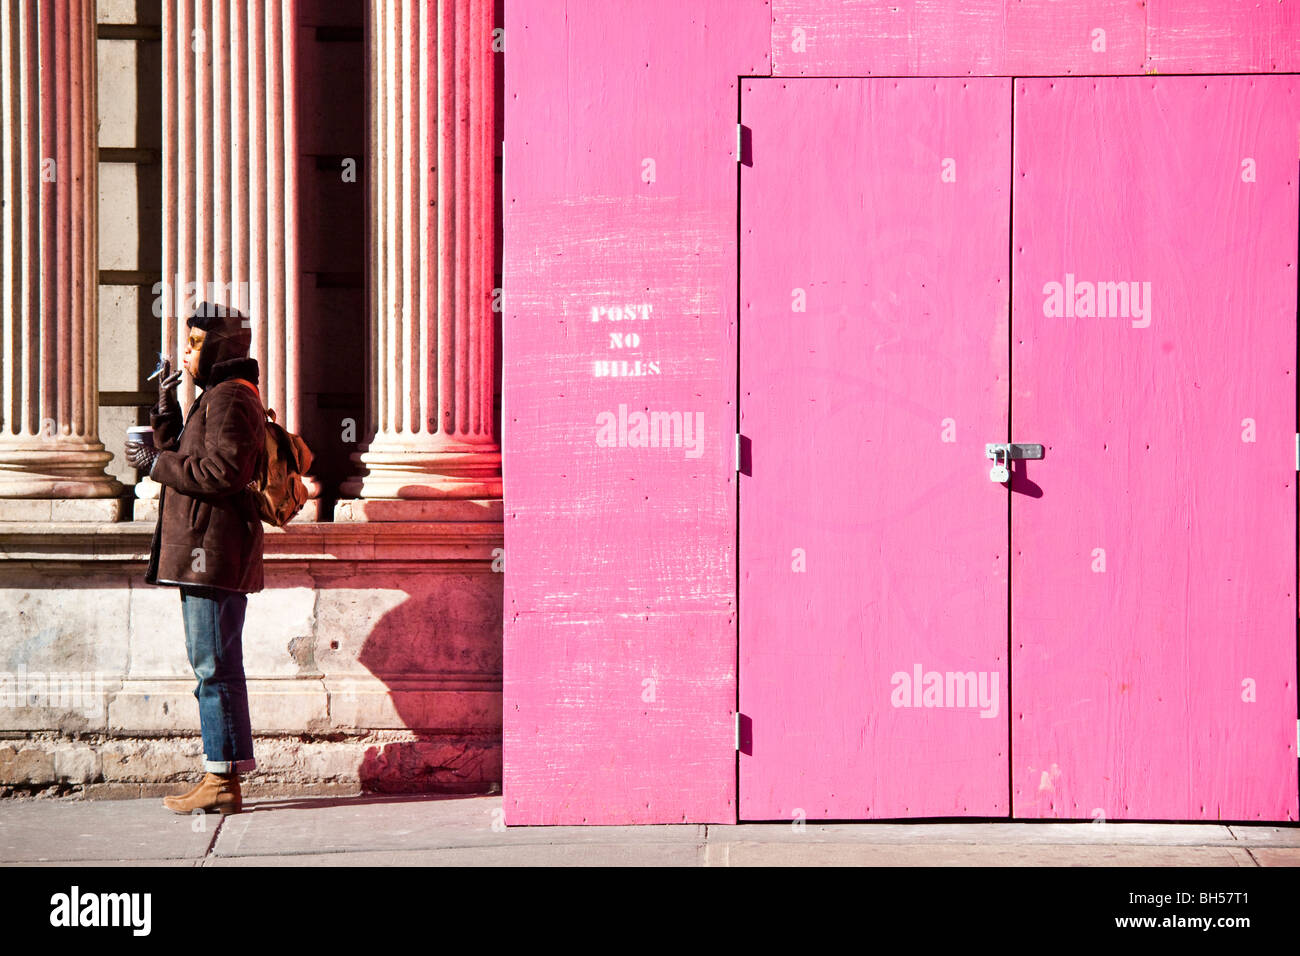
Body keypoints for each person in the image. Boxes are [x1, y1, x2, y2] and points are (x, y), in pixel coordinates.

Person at [125, 301, 267, 815]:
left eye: (193, 344)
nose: (185, 353)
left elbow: (219, 474)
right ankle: (220, 773)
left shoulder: (231, 398)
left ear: (220, 346)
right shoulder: (215, 396)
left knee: (214, 666)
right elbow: (188, 459)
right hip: (208, 550)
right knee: (214, 664)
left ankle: (222, 779)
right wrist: (164, 408)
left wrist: (156, 462)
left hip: (215, 552)